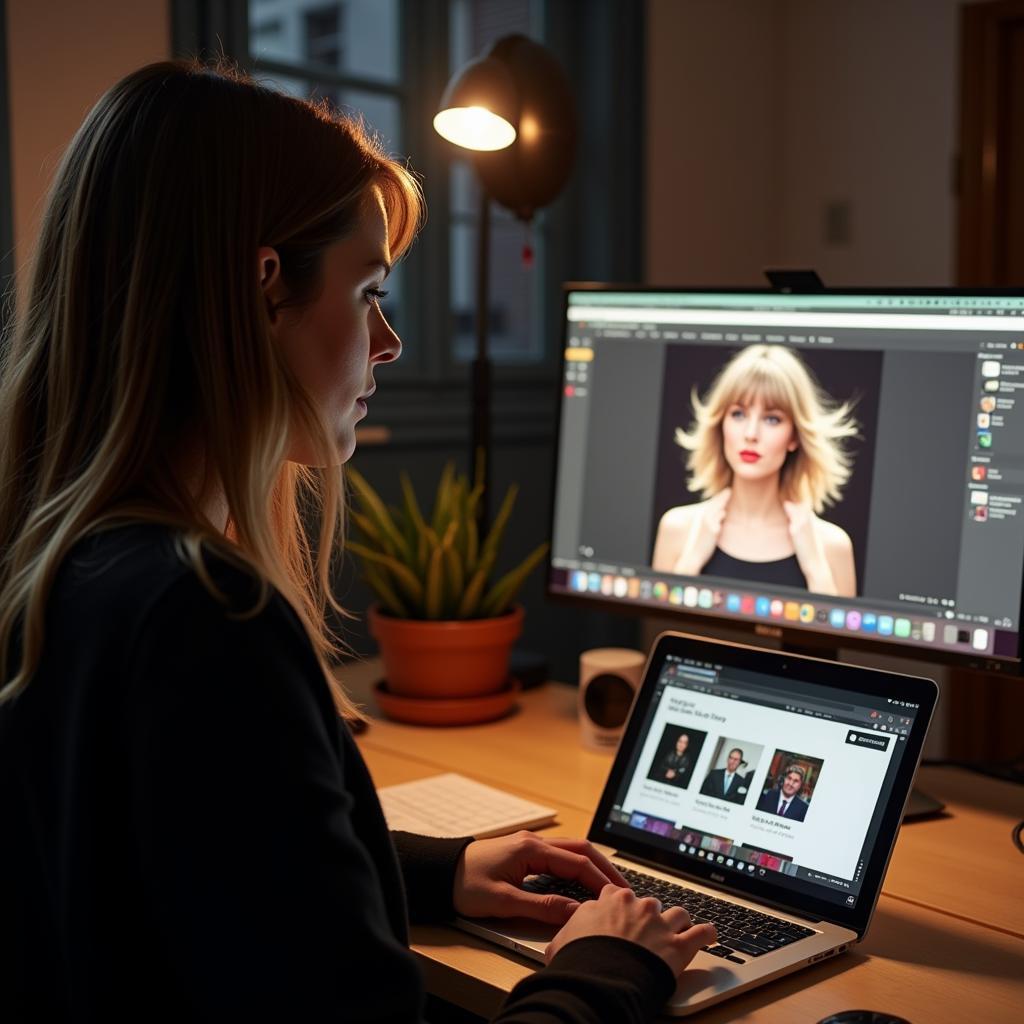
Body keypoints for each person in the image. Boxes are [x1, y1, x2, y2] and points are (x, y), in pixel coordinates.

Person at [0, 61, 716, 1022]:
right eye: (370, 290)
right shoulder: (205, 617)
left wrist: (435, 870)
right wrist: (603, 970)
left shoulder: (62, 567)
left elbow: (194, 870)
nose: (388, 342)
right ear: (263, 291)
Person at [651, 344, 859, 597]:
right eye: (738, 414)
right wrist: (690, 563)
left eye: (772, 419)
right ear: (721, 424)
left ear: (794, 436)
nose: (751, 434)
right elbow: (658, 633)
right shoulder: (677, 529)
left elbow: (837, 638)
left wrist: (816, 571)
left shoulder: (832, 546)